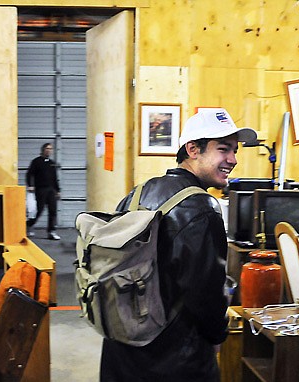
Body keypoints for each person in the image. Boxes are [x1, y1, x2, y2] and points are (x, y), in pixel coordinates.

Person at [99, 108, 257, 382]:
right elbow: (206, 294)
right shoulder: (203, 208)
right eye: (223, 149)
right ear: (193, 149)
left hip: (121, 349)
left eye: (235, 150)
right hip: (175, 360)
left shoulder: (137, 193)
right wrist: (218, 335)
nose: (232, 160)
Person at [26, 143, 61, 240]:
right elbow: (29, 174)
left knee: (53, 211)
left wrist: (58, 190)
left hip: (51, 190)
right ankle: (29, 225)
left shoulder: (52, 163)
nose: (49, 150)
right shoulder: (36, 162)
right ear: (43, 150)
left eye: (51, 149)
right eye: (47, 148)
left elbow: (55, 178)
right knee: (39, 210)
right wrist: (30, 185)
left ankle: (51, 231)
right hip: (40, 189)